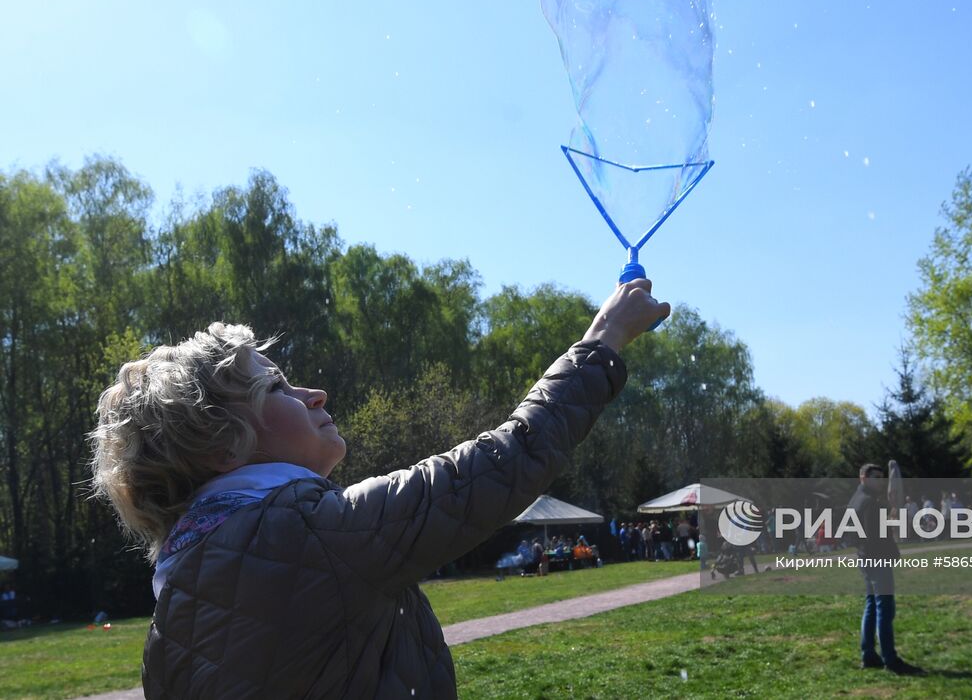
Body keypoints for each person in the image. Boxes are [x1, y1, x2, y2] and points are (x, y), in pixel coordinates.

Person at [89, 278, 667, 699]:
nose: (314, 394)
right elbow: (501, 464)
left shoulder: (178, 602)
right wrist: (605, 336)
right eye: (278, 387)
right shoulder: (306, 534)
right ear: (222, 446)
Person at [848, 462, 922, 676]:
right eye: (876, 477)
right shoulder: (869, 502)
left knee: (872, 605)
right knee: (884, 609)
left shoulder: (856, 499)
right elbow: (877, 534)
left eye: (882, 477)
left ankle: (868, 654)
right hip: (876, 559)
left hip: (865, 558)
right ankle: (890, 659)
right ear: (863, 478)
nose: (880, 481)